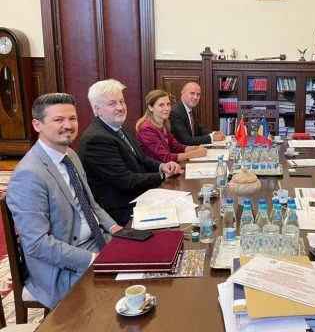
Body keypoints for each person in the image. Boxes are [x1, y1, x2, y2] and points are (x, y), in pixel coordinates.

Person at [6, 93, 122, 309]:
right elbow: (37, 244)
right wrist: (92, 259)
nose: (68, 125)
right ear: (37, 125)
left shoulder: (70, 155)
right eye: (58, 120)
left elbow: (91, 205)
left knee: (151, 269)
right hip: (63, 265)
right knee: (117, 302)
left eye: (72, 118)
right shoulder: (29, 175)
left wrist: (116, 229)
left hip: (97, 240)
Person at [78, 79, 182, 226]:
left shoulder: (123, 127)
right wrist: (162, 176)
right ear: (97, 109)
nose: (120, 107)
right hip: (121, 209)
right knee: (178, 221)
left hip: (140, 195)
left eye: (122, 101)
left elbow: (141, 158)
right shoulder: (96, 139)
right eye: (112, 104)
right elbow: (126, 180)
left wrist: (162, 166)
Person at [136, 89, 208, 162]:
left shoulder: (164, 125)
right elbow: (166, 157)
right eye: (161, 105)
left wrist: (195, 148)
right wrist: (195, 153)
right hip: (156, 168)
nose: (167, 108)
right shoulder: (146, 128)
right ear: (150, 107)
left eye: (168, 104)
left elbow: (177, 147)